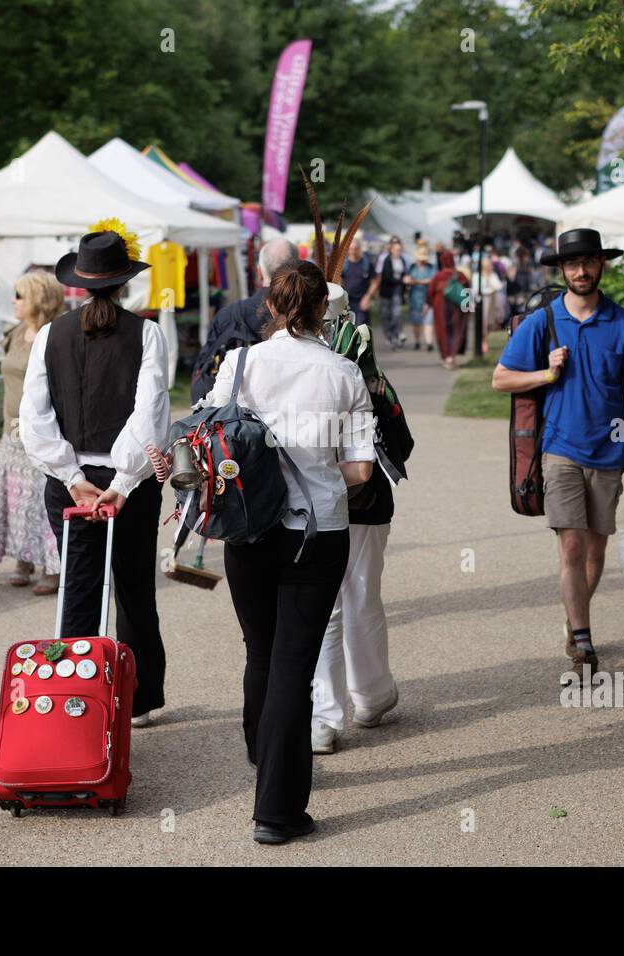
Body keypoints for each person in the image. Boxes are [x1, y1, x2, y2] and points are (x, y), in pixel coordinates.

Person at [206, 260, 375, 845]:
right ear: (321, 311)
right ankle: (276, 810)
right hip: (317, 530)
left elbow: (208, 435)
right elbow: (357, 469)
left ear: (271, 307)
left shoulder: (239, 363)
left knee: (260, 647)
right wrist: (319, 468)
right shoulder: (344, 373)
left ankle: (262, 758)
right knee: (294, 663)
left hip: (247, 525)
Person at [492, 228, 624, 675]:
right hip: (559, 449)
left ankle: (576, 621)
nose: (581, 271)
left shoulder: (623, 323)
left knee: (595, 551)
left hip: (609, 451)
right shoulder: (543, 322)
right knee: (571, 544)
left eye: (588, 262)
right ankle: (583, 641)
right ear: (562, 270)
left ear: (601, 266)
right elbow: (500, 379)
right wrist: (544, 374)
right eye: (572, 264)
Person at [19, 228, 170, 727]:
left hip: (72, 478)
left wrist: (70, 474)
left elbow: (33, 419)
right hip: (124, 479)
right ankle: (140, 697)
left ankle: (72, 696)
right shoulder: (147, 334)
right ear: (124, 283)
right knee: (132, 588)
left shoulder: (49, 335)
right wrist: (124, 480)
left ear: (79, 284)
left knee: (79, 587)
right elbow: (149, 415)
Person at [311, 284, 400, 756]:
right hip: (360, 494)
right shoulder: (358, 361)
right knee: (359, 596)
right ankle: (367, 696)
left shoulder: (305, 358)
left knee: (330, 603)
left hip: (319, 496)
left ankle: (330, 713)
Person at [0, 270, 64, 595]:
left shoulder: (57, 335)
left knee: (42, 501)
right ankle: (24, 559)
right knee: (16, 502)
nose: (14, 301)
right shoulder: (15, 331)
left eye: (20, 296)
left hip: (44, 431)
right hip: (12, 434)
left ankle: (53, 566)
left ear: (38, 298)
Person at [189, 237, 298, 405]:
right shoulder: (313, 314)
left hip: (241, 414)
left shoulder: (228, 314)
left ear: (259, 272)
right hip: (293, 411)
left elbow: (203, 374)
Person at [367, 235, 410, 350]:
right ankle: (390, 336)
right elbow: (385, 276)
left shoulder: (402, 260)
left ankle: (396, 334)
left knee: (397, 314)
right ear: (391, 249)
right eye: (396, 250)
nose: (398, 252)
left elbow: (405, 273)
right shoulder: (386, 260)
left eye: (400, 250)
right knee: (386, 316)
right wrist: (402, 280)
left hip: (397, 290)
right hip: (386, 291)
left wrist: (406, 282)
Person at [427, 248, 467, 370]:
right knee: (456, 330)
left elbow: (430, 292)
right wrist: (468, 309)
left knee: (443, 331)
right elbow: (468, 290)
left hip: (440, 307)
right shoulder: (460, 275)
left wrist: (429, 304)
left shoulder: (438, 276)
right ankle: (452, 356)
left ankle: (447, 357)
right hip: (457, 307)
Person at [405, 241, 436, 351]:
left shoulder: (431, 267)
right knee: (416, 322)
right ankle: (417, 341)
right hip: (414, 298)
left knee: (428, 321)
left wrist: (417, 281)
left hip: (428, 299)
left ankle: (429, 343)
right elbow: (407, 279)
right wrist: (408, 281)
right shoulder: (412, 267)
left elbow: (432, 280)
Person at [340, 236, 375, 327]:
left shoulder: (367, 264)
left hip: (362, 300)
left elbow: (374, 282)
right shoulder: (344, 265)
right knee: (347, 327)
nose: (353, 251)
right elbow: (340, 281)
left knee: (363, 328)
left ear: (359, 249)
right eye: (351, 249)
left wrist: (368, 297)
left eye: (355, 249)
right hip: (347, 301)